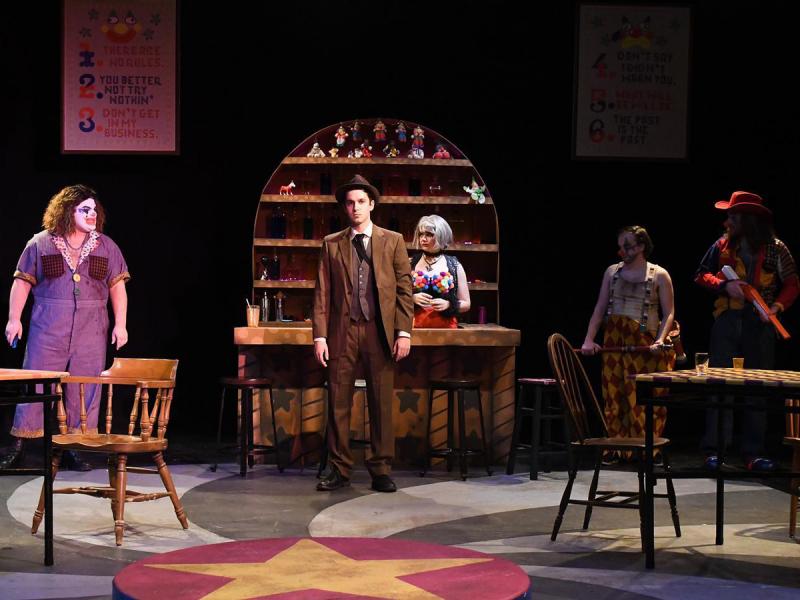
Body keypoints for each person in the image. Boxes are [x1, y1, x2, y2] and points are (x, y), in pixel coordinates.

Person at [0, 185, 130, 471]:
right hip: (48, 326)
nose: (92, 214)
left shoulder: (106, 246)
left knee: (83, 387)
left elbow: (117, 287)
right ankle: (20, 445)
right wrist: (14, 319)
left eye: (95, 209)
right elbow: (22, 282)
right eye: (85, 209)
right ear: (67, 211)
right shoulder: (40, 243)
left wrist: (120, 324)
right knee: (34, 383)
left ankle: (75, 447)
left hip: (91, 328)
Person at [312, 175, 413, 492]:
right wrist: (320, 336)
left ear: (372, 205)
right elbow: (322, 293)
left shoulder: (392, 240)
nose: (355, 207)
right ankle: (339, 468)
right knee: (338, 400)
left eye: (360, 202)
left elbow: (404, 291)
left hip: (378, 331)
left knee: (380, 400)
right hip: (343, 330)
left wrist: (404, 332)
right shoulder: (332, 243)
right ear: (345, 207)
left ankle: (381, 469)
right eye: (350, 202)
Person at [695, 191, 798, 471]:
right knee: (721, 385)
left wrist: (776, 307)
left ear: (746, 219)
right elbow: (701, 273)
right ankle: (715, 451)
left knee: (757, 387)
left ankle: (753, 453)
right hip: (727, 319)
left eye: (732, 215)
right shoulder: (722, 245)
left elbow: (791, 283)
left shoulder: (777, 247)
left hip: (759, 323)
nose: (727, 220)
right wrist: (722, 285)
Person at [581, 225, 675, 463]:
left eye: (628, 245)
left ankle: (648, 448)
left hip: (643, 343)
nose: (622, 250)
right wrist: (589, 339)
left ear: (642, 247)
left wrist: (660, 340)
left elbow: (669, 313)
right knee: (614, 394)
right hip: (614, 342)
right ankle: (615, 446)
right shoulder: (612, 272)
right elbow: (600, 308)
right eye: (621, 245)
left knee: (642, 397)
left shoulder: (659, 275)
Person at [410, 215, 471, 328]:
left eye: (429, 234)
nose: (423, 238)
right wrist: (412, 298)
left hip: (446, 329)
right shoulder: (410, 263)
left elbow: (466, 304)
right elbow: (396, 296)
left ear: (441, 235)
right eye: (421, 234)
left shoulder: (454, 265)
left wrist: (449, 304)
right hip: (415, 327)